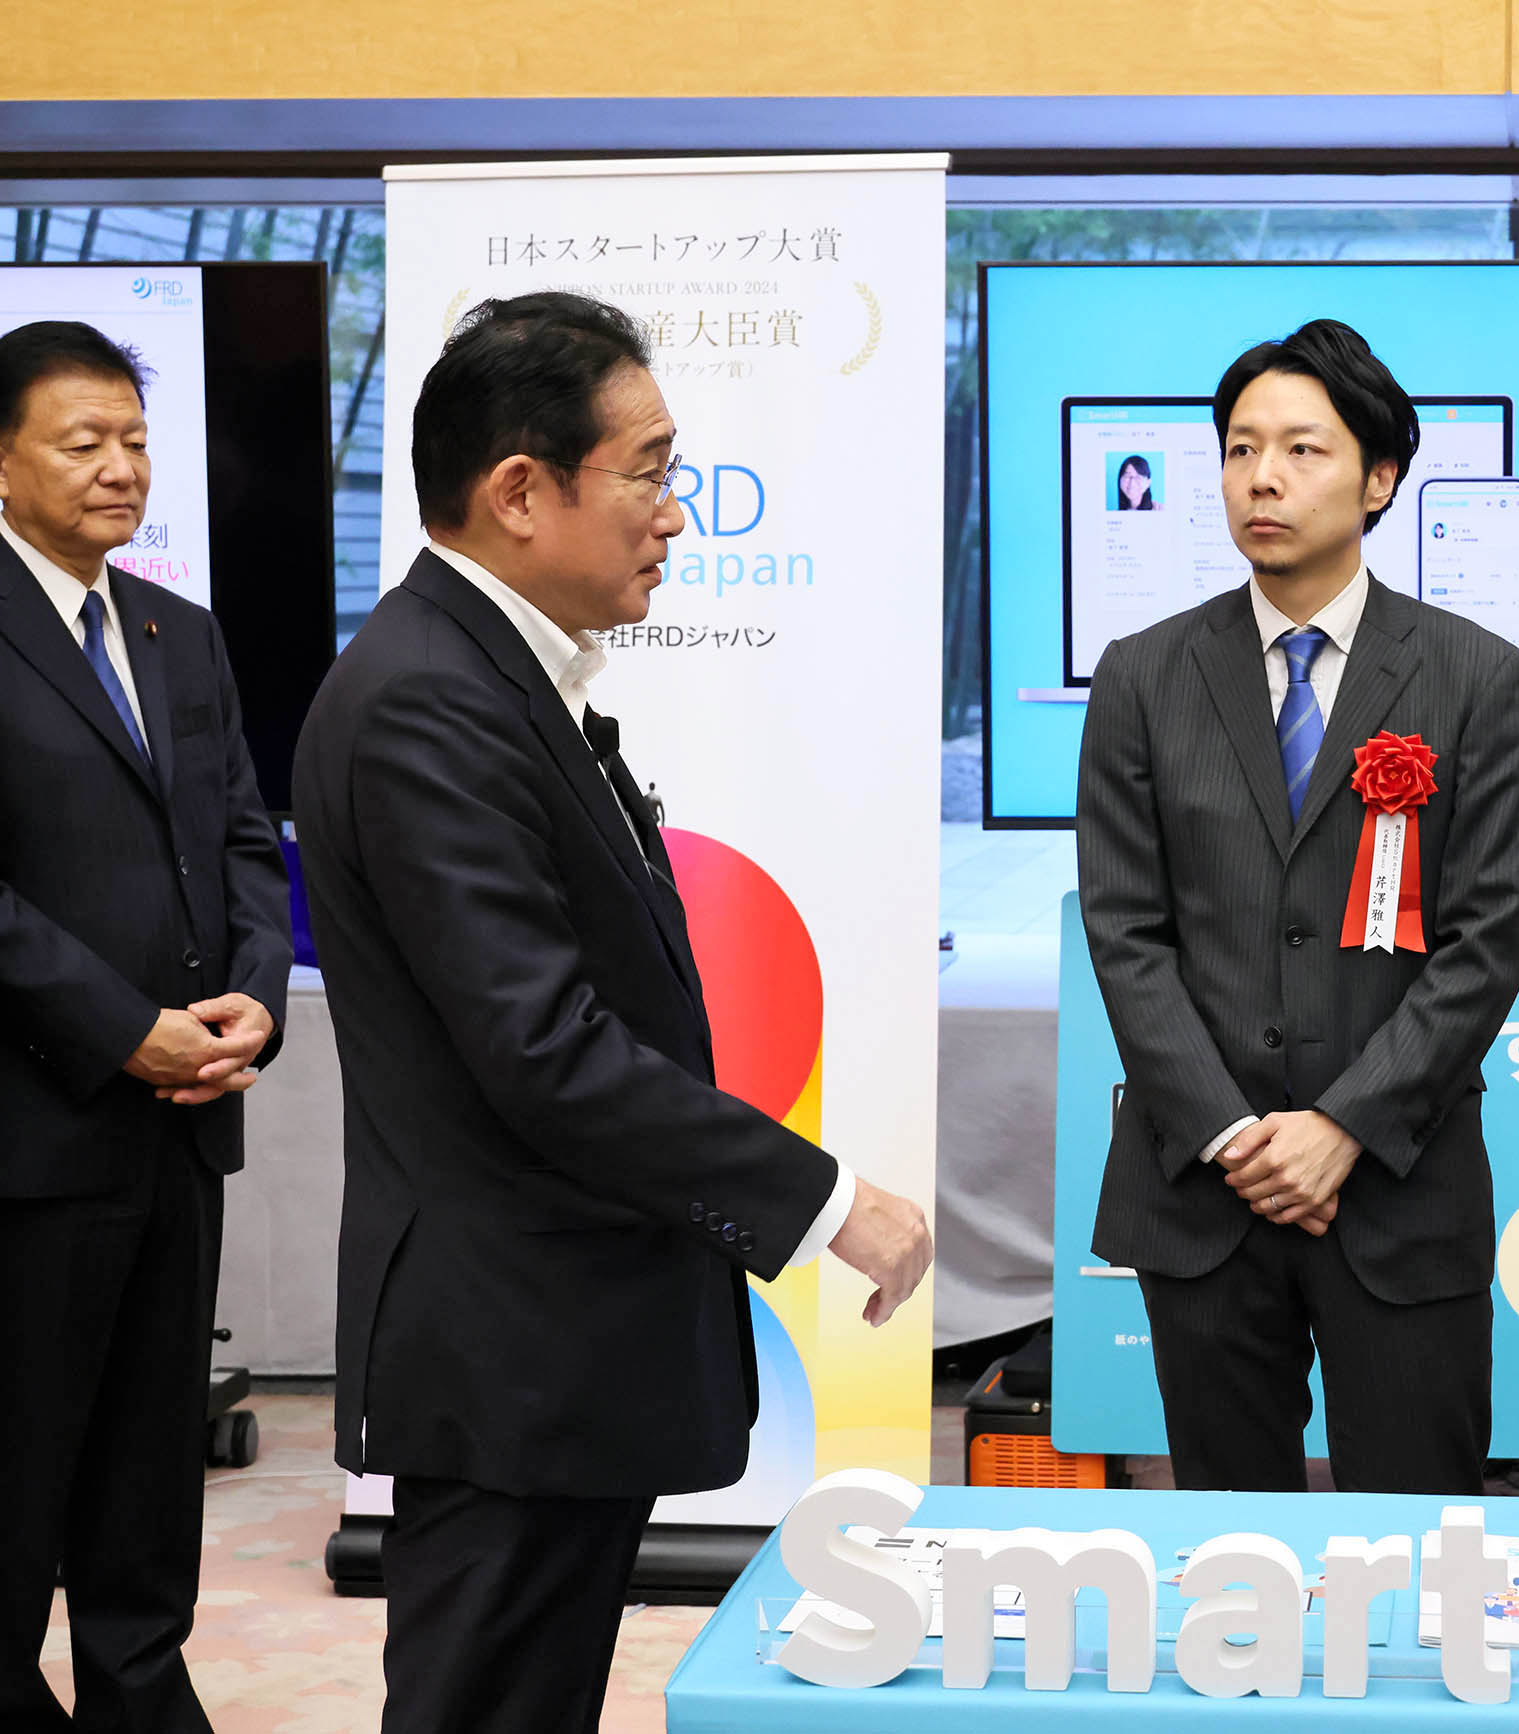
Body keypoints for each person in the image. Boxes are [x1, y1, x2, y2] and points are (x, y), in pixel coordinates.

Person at [291, 293, 931, 1734]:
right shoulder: (428, 703)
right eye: (647, 470)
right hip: (510, 1349)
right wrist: (828, 1200)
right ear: (520, 490)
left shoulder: (500, 679)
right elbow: (546, 1050)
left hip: (558, 1342)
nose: (674, 513)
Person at [1079, 318, 1519, 1494]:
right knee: (1234, 1563)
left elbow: (1482, 943)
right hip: (1203, 1186)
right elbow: (1125, 931)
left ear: (1381, 478)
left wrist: (1339, 1127)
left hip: (1395, 1184)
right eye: (1238, 451)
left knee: (1423, 1543)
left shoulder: (1475, 676)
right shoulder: (1142, 674)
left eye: (1301, 450)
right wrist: (1235, 1133)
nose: (1262, 480)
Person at [0, 321, 292, 1732]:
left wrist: (253, 993)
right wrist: (123, 1028)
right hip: (32, 1132)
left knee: (143, 1478)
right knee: (16, 1478)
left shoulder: (181, 632)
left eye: (133, 440)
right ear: (2, 461)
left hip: (182, 1131)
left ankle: (141, 1699)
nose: (119, 469)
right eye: (81, 442)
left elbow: (244, 833)